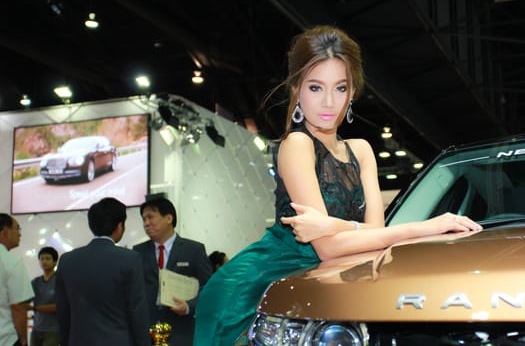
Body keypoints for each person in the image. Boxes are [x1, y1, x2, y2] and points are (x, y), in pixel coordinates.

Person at [193, 25, 483, 345]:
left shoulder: (361, 150)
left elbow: (376, 236)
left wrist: (331, 224)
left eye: (340, 88)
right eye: (316, 88)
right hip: (256, 287)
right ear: (296, 90)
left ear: (352, 91)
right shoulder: (296, 145)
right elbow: (327, 249)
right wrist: (425, 228)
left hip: (330, 281)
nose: (329, 102)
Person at [55, 197, 149, 346]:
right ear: (119, 226)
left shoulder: (67, 260)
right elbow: (137, 311)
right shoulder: (130, 259)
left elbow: (62, 311)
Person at [133, 196, 213, 346]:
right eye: (144, 219)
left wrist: (189, 306)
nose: (146, 224)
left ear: (169, 218)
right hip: (146, 333)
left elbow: (209, 288)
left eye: (151, 217)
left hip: (180, 331)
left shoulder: (194, 250)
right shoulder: (138, 252)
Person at [0, 213, 34, 346]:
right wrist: (24, 340)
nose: (20, 234)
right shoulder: (11, 262)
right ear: (5, 232)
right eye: (17, 229)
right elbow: (18, 307)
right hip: (5, 339)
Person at [30, 246, 60, 346]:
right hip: (36, 328)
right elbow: (25, 301)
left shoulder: (60, 281)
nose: (44, 262)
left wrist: (34, 308)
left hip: (54, 330)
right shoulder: (35, 282)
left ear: (55, 262)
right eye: (42, 259)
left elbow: (58, 307)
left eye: (48, 258)